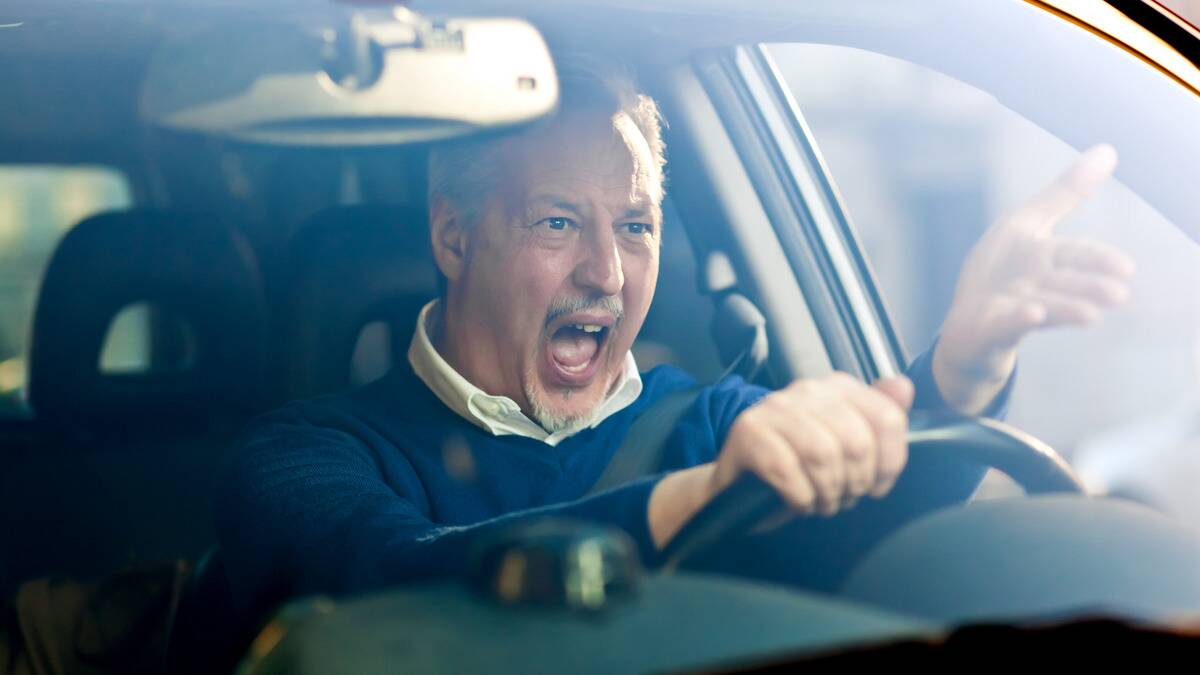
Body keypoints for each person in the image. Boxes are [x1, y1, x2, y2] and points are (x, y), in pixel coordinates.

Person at [216, 60, 1135, 622]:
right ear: (454, 236)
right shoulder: (305, 455)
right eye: (557, 223)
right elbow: (393, 581)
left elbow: (879, 522)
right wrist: (703, 498)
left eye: (637, 227)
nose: (607, 276)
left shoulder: (712, 421)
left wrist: (964, 368)